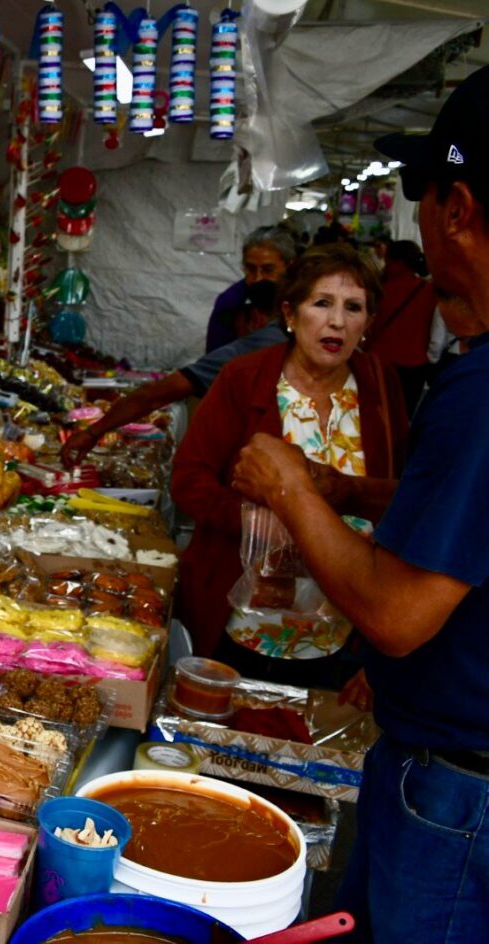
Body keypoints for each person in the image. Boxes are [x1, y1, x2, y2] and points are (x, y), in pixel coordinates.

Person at [231, 65, 489, 943]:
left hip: (458, 793)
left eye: (419, 196)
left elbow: (400, 612)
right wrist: (351, 490)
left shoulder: (483, 386)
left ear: (456, 209)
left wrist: (296, 490)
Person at [169, 244, 409, 678]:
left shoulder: (381, 385)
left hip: (341, 622)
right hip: (243, 619)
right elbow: (188, 480)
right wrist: (256, 523)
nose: (337, 321)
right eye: (322, 303)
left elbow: (399, 492)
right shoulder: (244, 379)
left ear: (368, 324)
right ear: (290, 314)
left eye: (354, 308)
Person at [61, 281, 281, 467]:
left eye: (237, 325)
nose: (236, 334)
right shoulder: (294, 340)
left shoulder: (249, 350)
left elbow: (155, 395)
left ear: (254, 319)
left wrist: (93, 432)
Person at [365, 239, 437, 413]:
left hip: (380, 362)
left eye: (388, 260)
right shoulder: (429, 291)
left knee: (377, 414)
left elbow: (368, 326)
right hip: (415, 367)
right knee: (404, 417)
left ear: (399, 263)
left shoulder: (379, 291)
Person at [204, 225, 297, 353]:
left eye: (268, 270)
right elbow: (215, 356)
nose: (257, 278)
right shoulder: (230, 301)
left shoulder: (301, 299)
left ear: (289, 266)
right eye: (251, 269)